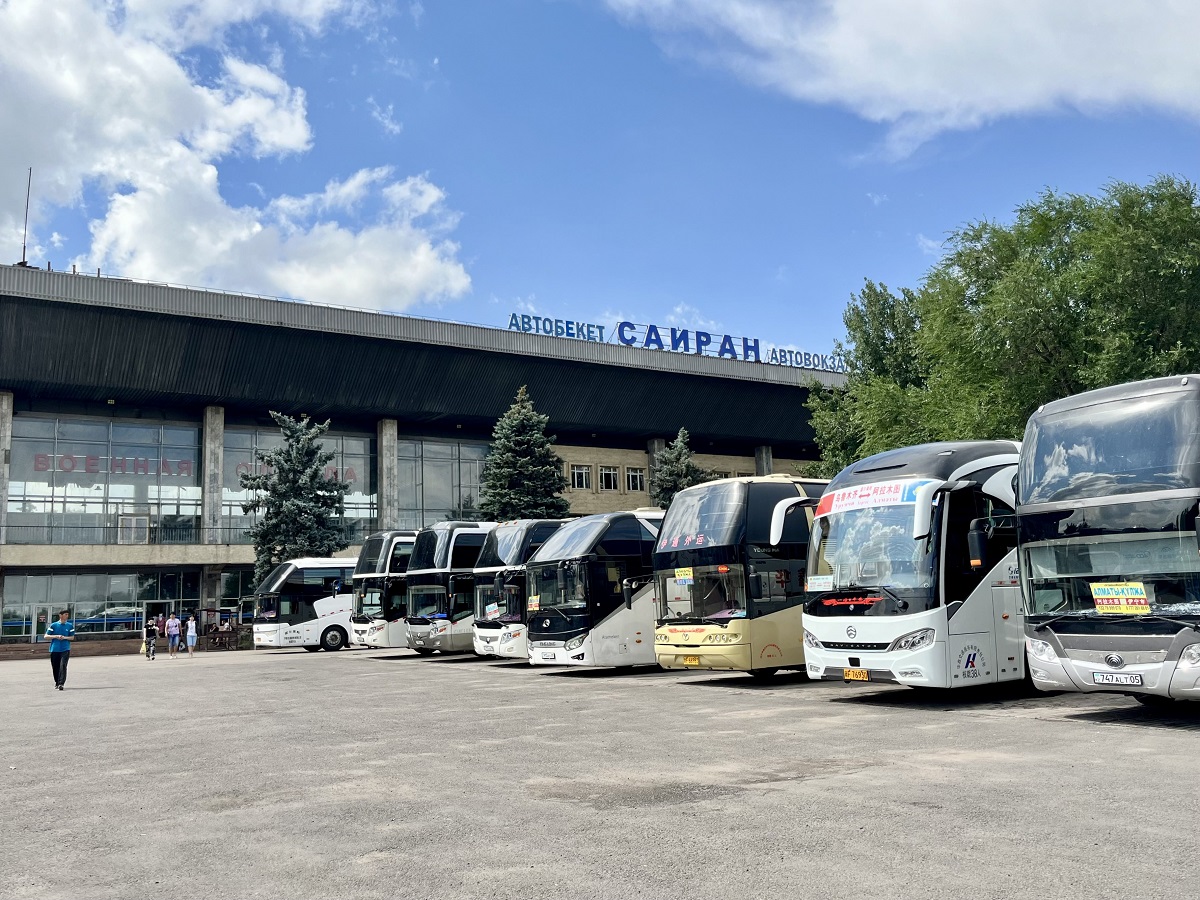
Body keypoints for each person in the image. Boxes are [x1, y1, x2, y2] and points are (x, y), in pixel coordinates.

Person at [45, 609, 75, 690]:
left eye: (67, 614)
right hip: (55, 649)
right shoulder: (54, 625)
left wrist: (64, 637)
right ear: (60, 615)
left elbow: (72, 637)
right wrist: (56, 636)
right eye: (65, 614)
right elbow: (46, 636)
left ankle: (61, 683)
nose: (67, 616)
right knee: (55, 667)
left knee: (63, 665)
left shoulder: (70, 626)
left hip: (65, 649)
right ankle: (57, 682)